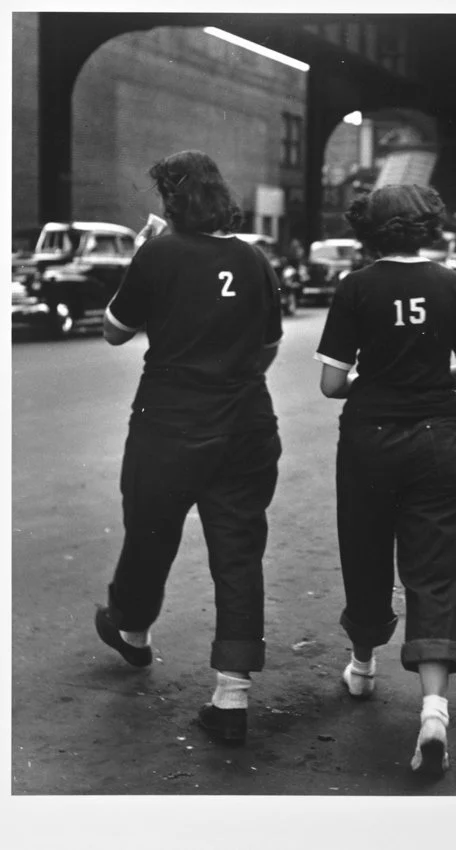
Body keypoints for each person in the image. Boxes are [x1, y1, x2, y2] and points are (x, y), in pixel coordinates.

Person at [95, 150, 283, 743]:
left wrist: (142, 257)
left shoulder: (158, 252)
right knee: (239, 551)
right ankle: (232, 697)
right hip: (247, 424)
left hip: (169, 424)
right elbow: (270, 344)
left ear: (172, 200)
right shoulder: (253, 259)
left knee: (149, 532)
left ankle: (133, 629)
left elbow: (114, 331)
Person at [314, 184, 456, 777]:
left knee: (365, 551)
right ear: (427, 227)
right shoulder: (453, 285)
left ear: (369, 230)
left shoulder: (355, 287)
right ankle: (434, 711)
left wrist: (377, 378)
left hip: (369, 437)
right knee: (433, 569)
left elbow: (332, 384)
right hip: (437, 438)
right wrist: (431, 375)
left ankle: (363, 668)